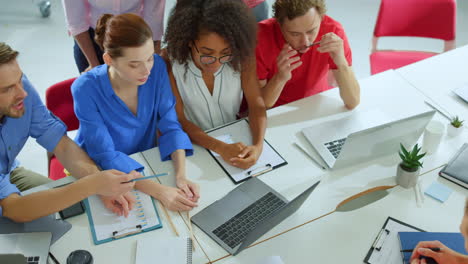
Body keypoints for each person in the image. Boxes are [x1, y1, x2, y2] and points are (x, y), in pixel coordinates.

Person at [72, 13, 199, 214]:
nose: (146, 70)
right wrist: (160, 191)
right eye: (134, 64)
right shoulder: (85, 88)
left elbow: (170, 126)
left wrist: (181, 177)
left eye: (148, 58)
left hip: (142, 162)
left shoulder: (157, 67)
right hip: (99, 171)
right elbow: (104, 155)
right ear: (109, 59)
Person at [0, 42, 136, 223]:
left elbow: (60, 143)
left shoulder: (21, 91)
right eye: (8, 88)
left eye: (19, 79)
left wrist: (98, 181)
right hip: (9, 202)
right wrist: (92, 185)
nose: (22, 93)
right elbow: (13, 208)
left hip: (7, 173)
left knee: (71, 210)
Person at [164, 0, 267, 170]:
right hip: (195, 150)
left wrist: (258, 146)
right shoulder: (169, 63)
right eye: (207, 54)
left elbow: (256, 104)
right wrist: (220, 147)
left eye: (226, 54)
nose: (216, 63)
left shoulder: (243, 56)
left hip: (235, 140)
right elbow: (179, 120)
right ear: (189, 41)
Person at [256, 0, 360, 109]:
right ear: (279, 24)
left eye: (311, 31)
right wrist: (280, 78)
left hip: (316, 103)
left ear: (321, 18)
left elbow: (352, 101)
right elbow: (260, 105)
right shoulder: (259, 37)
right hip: (276, 110)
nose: (305, 42)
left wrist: (341, 62)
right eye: (295, 34)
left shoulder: (333, 31)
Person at [61, 0, 166, 73]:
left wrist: (152, 61)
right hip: (91, 41)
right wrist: (94, 65)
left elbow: (154, 21)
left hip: (136, 37)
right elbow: (76, 23)